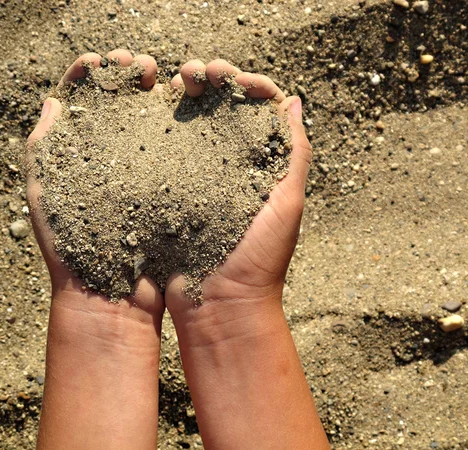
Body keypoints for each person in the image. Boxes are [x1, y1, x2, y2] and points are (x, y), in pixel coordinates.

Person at [26, 49, 330, 450]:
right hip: (99, 234)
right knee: (113, 318)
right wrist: (236, 308)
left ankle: (101, 321)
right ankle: (119, 320)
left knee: (100, 322)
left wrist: (236, 299)